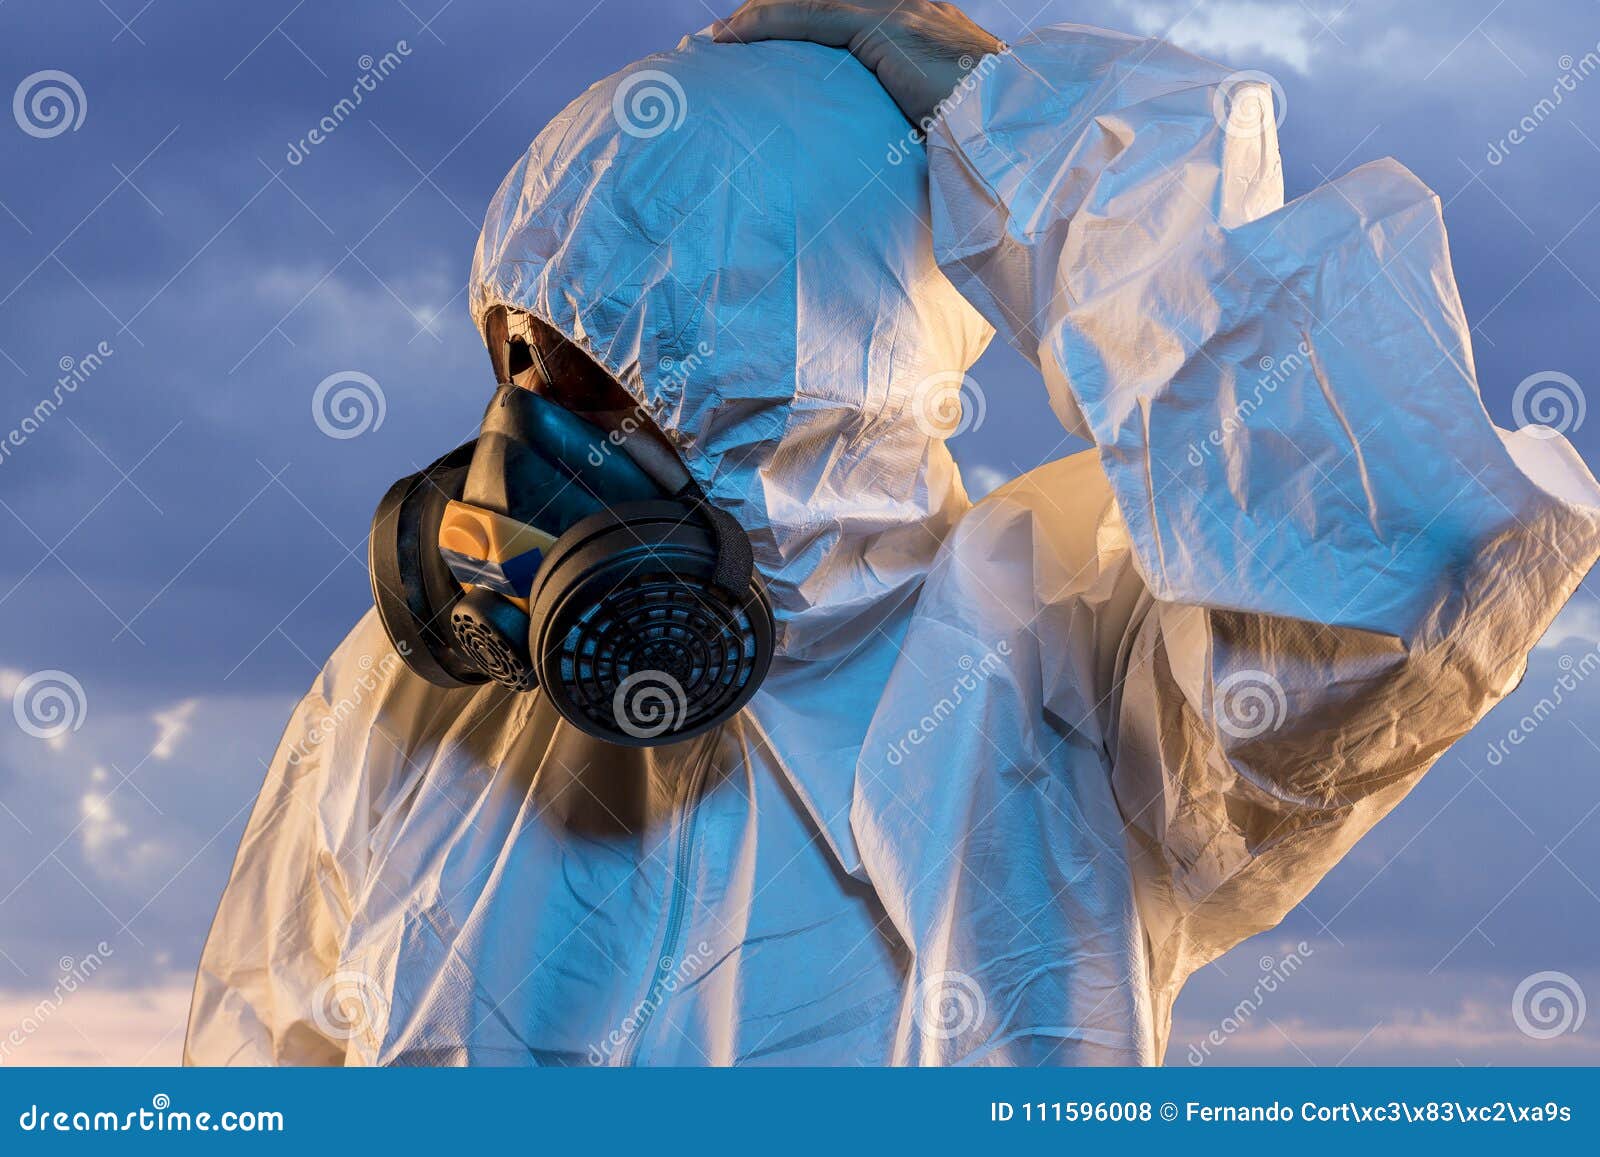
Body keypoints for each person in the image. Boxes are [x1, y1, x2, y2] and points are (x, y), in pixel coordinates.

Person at [185, 0, 1600, 1065]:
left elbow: (1407, 545)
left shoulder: (1061, 686)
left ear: (819, 388)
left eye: (609, 371)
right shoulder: (407, 702)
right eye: (520, 355)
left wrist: (1024, 133)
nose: (526, 439)